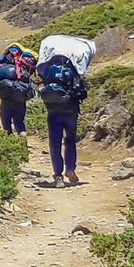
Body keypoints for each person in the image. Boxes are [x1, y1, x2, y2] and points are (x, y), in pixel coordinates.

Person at [36, 52, 87, 185]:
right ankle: (70, 168)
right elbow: (81, 93)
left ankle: (58, 175)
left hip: (53, 112)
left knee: (54, 143)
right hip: (70, 112)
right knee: (70, 140)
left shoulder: (46, 69)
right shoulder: (71, 71)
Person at [0, 42, 35, 135]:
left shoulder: (2, 67)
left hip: (6, 98)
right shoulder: (22, 69)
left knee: (5, 119)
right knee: (19, 120)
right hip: (20, 98)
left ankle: (8, 136)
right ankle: (22, 132)